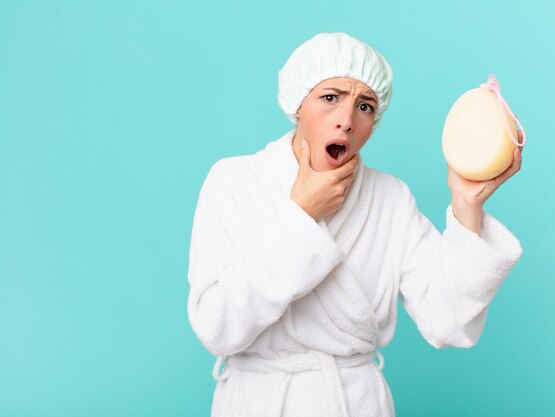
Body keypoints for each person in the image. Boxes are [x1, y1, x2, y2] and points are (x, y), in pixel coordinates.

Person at [186, 32, 523, 417]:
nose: (346, 120)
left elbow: (447, 321)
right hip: (259, 402)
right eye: (330, 98)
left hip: (353, 402)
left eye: (364, 106)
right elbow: (216, 326)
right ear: (298, 104)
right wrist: (301, 215)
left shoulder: (390, 198)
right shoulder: (234, 182)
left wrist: (467, 205)